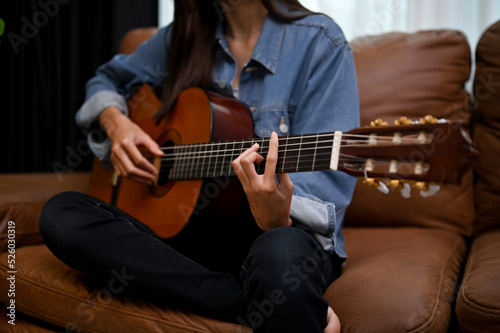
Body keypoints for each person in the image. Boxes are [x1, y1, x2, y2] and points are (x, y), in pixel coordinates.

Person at [39, 0, 359, 332]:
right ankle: (254, 303)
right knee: (62, 215)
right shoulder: (182, 38)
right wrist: (116, 123)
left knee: (281, 256)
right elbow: (105, 81)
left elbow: (324, 191)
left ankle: (260, 292)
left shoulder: (321, 41)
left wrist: (276, 215)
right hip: (190, 236)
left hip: (276, 234)